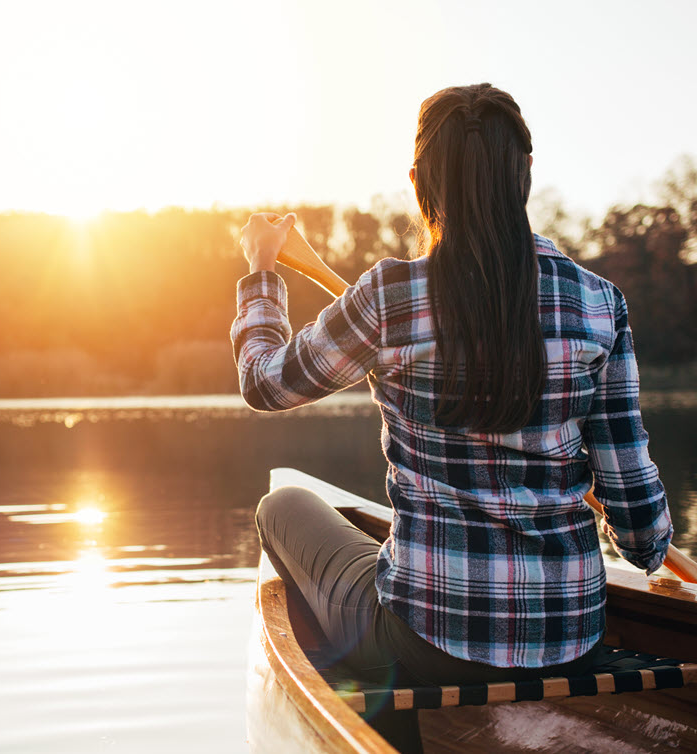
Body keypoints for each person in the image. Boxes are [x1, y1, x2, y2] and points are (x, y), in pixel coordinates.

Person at [232, 83, 673, 687]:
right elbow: (638, 520)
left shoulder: (388, 297)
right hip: (573, 640)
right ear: (527, 174)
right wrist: (649, 551)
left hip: (429, 645)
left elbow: (264, 383)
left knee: (280, 505)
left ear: (418, 181)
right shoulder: (600, 305)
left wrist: (261, 274)